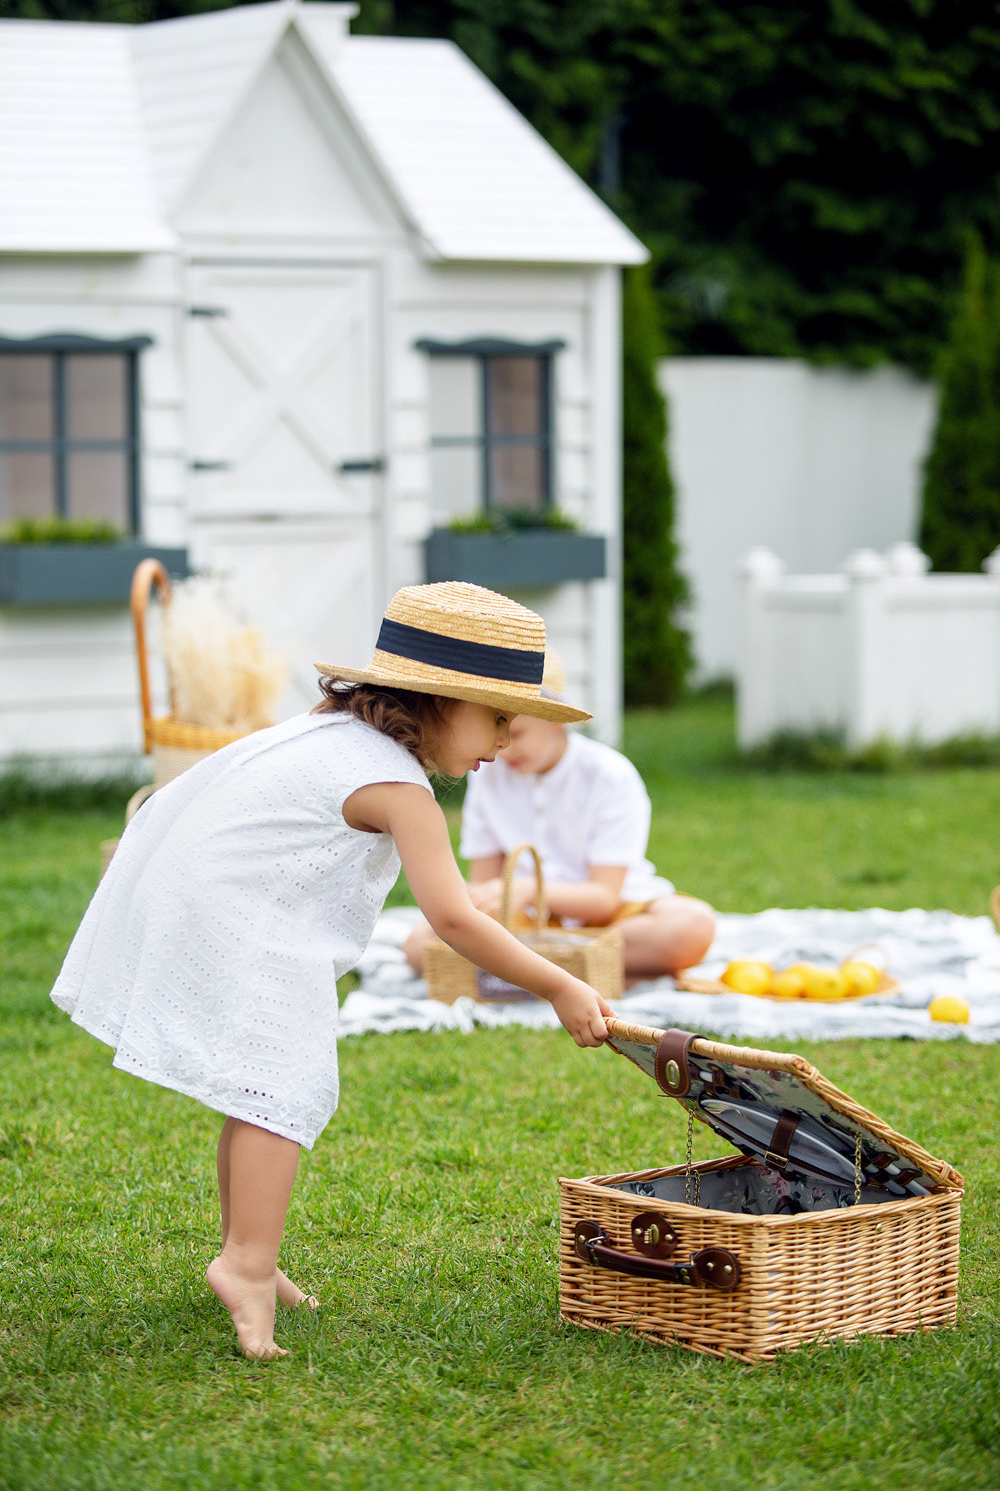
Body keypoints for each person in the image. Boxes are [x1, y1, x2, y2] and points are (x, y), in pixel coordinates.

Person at [51, 583, 612, 1363]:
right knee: (281, 1087)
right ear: (440, 700)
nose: (506, 738)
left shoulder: (333, 736)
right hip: (247, 917)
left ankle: (249, 1250)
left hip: (215, 897)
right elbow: (454, 919)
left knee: (258, 1084)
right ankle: (245, 1266)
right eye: (497, 717)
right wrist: (558, 982)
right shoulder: (401, 789)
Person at [404, 653, 715, 982]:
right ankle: (575, 966)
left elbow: (604, 897)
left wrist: (527, 890)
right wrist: (482, 901)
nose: (503, 748)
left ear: (557, 720)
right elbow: (485, 883)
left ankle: (526, 968)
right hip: (524, 921)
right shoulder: (487, 777)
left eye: (517, 733)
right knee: (418, 945)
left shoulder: (610, 775)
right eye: (494, 730)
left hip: (612, 920)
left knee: (691, 926)